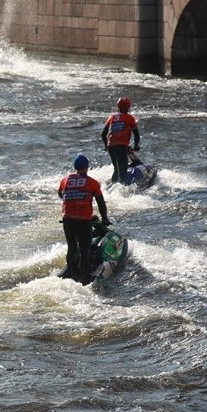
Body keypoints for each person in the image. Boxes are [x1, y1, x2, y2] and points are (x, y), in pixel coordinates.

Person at [58, 155, 109, 285]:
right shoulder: (92, 182)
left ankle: (71, 275)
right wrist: (104, 219)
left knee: (72, 247)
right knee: (85, 251)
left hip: (68, 219)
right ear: (87, 167)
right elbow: (101, 203)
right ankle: (85, 280)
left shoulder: (65, 180)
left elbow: (61, 194)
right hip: (83, 220)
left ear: (75, 167)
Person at [101, 97, 141, 184]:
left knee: (116, 169)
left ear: (118, 107)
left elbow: (103, 134)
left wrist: (106, 146)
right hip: (121, 147)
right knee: (123, 172)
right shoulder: (130, 118)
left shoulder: (111, 117)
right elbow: (136, 134)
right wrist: (136, 146)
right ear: (128, 107)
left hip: (110, 146)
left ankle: (110, 189)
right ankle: (123, 192)